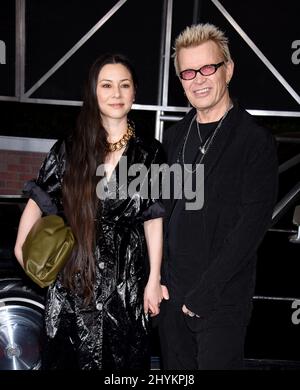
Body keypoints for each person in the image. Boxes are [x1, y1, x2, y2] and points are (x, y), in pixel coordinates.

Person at [14, 53, 168, 370]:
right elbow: (38, 201)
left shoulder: (151, 152)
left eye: (124, 86)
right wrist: (23, 251)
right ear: (93, 92)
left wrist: (154, 279)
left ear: (134, 93)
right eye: (107, 85)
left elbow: (153, 218)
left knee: (123, 363)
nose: (116, 94)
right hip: (73, 284)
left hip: (126, 286)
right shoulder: (70, 149)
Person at [158, 23, 278, 369]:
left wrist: (203, 295)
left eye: (208, 68)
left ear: (228, 69)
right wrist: (157, 280)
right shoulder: (174, 137)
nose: (198, 79)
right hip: (172, 302)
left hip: (221, 302)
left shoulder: (254, 142)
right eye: (188, 72)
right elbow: (161, 215)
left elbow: (249, 230)